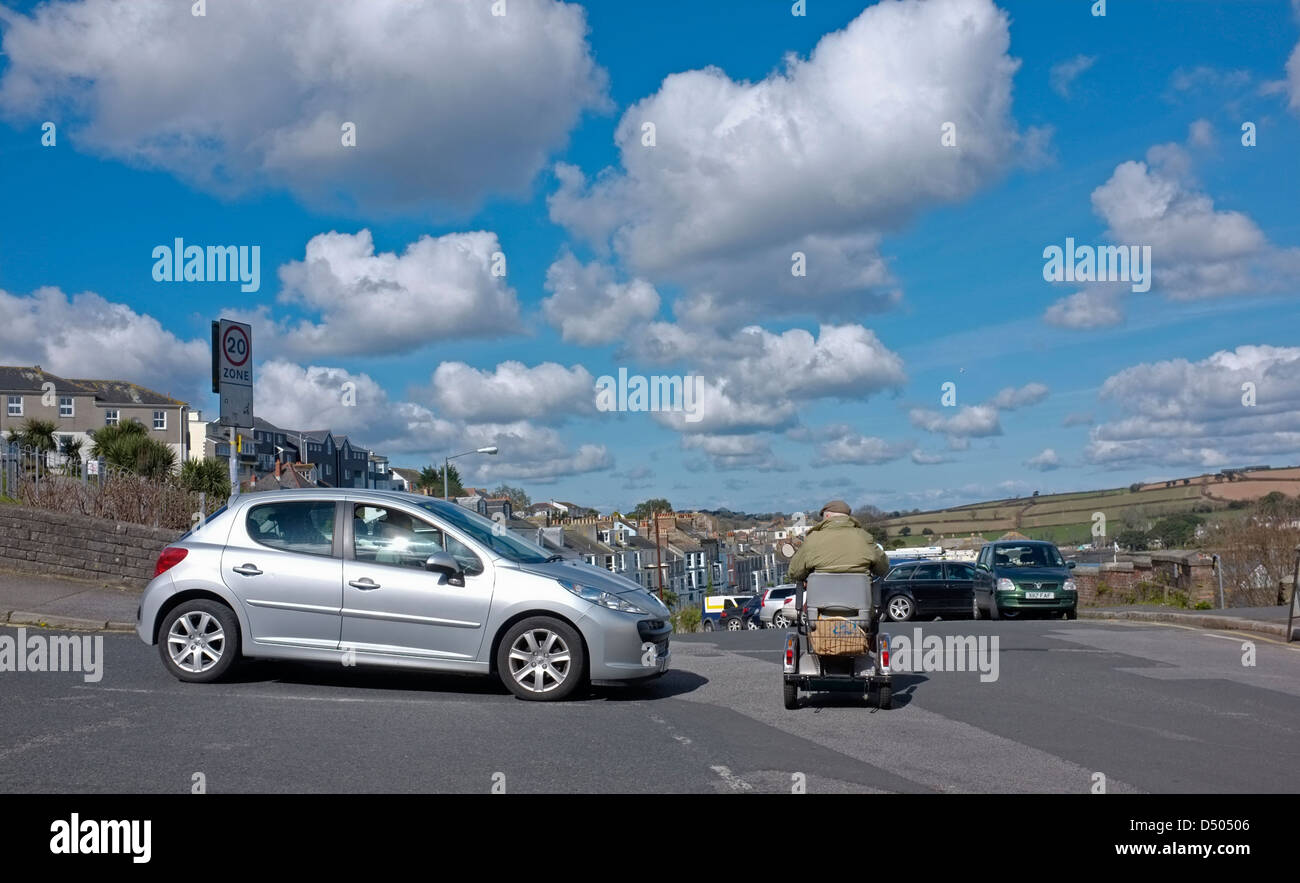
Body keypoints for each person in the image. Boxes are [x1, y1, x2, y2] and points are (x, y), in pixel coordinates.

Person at [787, 500, 889, 582]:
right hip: (859, 605)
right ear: (848, 517)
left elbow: (794, 572)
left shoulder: (812, 539)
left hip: (820, 605)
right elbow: (883, 568)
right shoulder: (864, 537)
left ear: (826, 516)